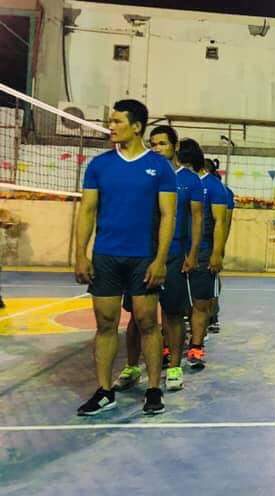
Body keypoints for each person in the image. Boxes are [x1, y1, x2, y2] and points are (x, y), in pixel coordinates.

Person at [74, 99, 177, 416]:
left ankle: (153, 390)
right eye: (111, 121)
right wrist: (81, 254)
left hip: (142, 258)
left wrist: (160, 260)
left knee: (147, 323)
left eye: (117, 121)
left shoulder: (160, 167)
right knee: (105, 324)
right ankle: (105, 392)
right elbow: (87, 211)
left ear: (137, 126)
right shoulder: (99, 165)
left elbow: (168, 216)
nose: (111, 126)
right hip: (106, 256)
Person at [112, 126, 203, 393]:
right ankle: (132, 367)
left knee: (173, 314)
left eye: (162, 143)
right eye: (153, 144)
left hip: (174, 256)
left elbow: (197, 219)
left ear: (175, 146)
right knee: (137, 317)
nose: (157, 148)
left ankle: (174, 367)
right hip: (141, 255)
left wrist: (192, 253)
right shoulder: (144, 175)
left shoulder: (190, 180)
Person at [183, 140, 229, 370]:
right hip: (177, 251)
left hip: (202, 252)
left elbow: (221, 222)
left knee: (201, 302)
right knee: (175, 305)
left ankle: (196, 346)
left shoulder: (214, 187)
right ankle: (169, 346)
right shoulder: (177, 182)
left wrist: (217, 253)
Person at [206, 158, 233, 335]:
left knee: (212, 279)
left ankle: (213, 316)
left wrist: (219, 247)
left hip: (209, 245)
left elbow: (225, 222)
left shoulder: (222, 191)